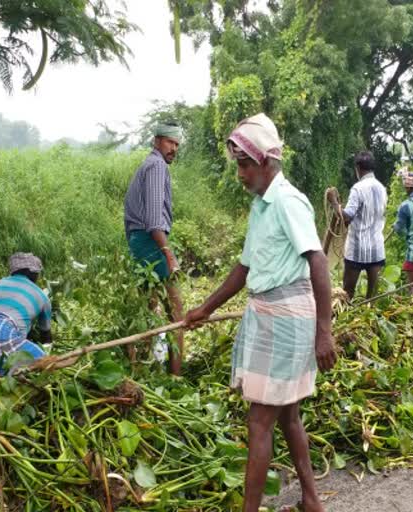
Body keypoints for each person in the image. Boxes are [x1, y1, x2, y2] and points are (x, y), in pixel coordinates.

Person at [184, 113, 336, 512]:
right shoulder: (261, 206)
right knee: (287, 418)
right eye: (238, 165)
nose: (239, 174)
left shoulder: (287, 201)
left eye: (244, 165)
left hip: (287, 318)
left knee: (259, 421)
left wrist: (325, 331)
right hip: (268, 314)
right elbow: (245, 268)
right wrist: (205, 307)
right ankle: (311, 500)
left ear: (265, 162)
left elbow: (318, 262)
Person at [124, 122, 185, 374]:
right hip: (151, 242)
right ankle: (177, 376)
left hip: (140, 241)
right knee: (177, 309)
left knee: (147, 306)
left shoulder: (148, 165)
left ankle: (139, 368)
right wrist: (168, 254)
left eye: (177, 145)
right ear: (157, 141)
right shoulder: (157, 165)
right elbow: (153, 220)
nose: (174, 149)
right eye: (170, 142)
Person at [327, 151, 388, 299]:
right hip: (376, 248)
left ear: (358, 168)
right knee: (372, 296)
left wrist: (334, 202)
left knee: (347, 293)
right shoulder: (382, 188)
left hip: (357, 249)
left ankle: (345, 318)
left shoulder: (358, 188)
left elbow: (346, 215)